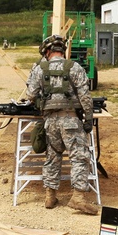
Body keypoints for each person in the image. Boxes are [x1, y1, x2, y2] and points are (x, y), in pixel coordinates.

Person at [25, 34, 98, 214]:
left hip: (50, 121)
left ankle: (50, 196)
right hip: (71, 119)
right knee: (79, 157)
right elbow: (85, 97)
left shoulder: (39, 69)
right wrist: (88, 119)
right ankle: (78, 198)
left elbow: (30, 95)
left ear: (47, 52)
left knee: (52, 156)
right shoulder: (74, 67)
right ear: (61, 51)